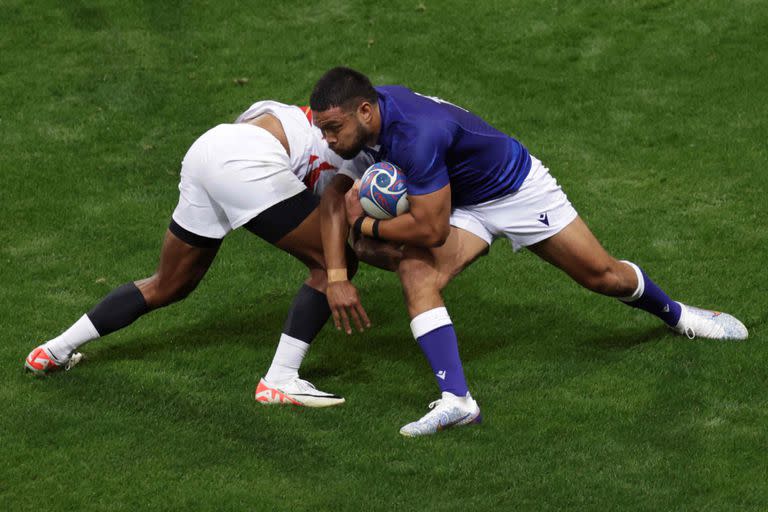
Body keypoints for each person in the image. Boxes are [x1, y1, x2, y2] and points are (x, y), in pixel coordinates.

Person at [309, 67, 749, 436]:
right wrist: (341, 270)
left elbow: (431, 228)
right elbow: (349, 203)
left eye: (333, 128)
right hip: (459, 200)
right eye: (324, 129)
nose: (328, 139)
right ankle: (457, 401)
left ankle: (678, 315)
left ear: (365, 111)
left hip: (514, 189)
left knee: (602, 276)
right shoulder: (369, 118)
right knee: (416, 274)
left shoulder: (416, 135)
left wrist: (365, 223)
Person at [24, 100, 363, 408]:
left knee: (170, 283)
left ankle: (52, 351)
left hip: (209, 149)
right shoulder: (353, 151)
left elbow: (244, 129)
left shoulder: (287, 112)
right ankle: (280, 380)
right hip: (248, 165)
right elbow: (338, 216)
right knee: (334, 263)